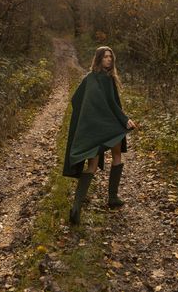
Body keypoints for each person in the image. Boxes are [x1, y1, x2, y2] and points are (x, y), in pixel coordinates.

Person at [62, 46, 137, 225]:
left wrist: (88, 118)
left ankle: (82, 205)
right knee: (107, 159)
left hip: (95, 127)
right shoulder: (104, 79)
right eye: (105, 57)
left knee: (100, 162)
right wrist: (124, 120)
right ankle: (103, 200)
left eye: (110, 57)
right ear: (98, 59)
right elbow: (111, 104)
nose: (109, 60)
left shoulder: (89, 79)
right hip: (106, 126)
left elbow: (77, 100)